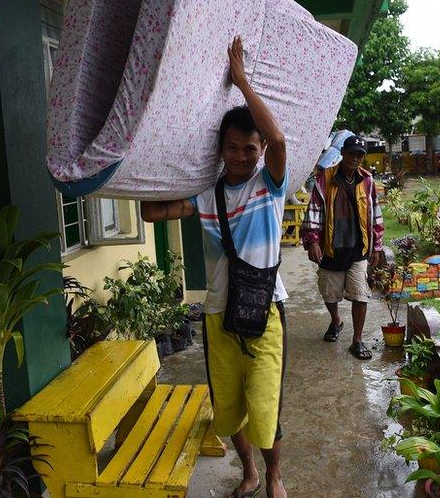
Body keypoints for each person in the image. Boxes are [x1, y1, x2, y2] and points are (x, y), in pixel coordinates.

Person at [140, 36, 287, 498]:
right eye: (232, 148)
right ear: (220, 149)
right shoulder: (207, 196)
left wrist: (241, 81)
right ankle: (249, 472)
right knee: (228, 408)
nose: (241, 156)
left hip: (267, 313)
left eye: (249, 148)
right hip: (218, 315)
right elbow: (149, 213)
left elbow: (280, 137)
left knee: (265, 406)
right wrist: (151, 154)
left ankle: (275, 476)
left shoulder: (271, 187)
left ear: (260, 150)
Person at [300, 136, 385, 360]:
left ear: (362, 157)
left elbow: (375, 212)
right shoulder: (325, 178)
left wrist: (376, 246)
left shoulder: (367, 180)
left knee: (360, 296)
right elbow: (314, 210)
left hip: (358, 248)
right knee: (330, 294)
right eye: (351, 153)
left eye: (359, 155)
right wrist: (313, 241)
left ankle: (357, 341)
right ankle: (336, 320)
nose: (355, 158)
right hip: (331, 247)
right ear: (343, 154)